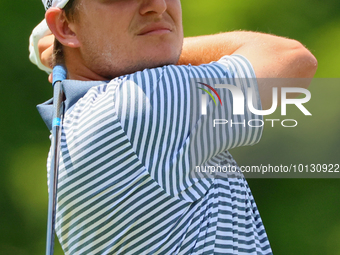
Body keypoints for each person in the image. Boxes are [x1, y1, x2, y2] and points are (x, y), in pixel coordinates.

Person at [31, 0, 317, 254]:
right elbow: (293, 61)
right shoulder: (138, 103)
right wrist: (160, 38)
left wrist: (123, 38)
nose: (157, 5)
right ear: (66, 29)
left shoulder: (77, 123)